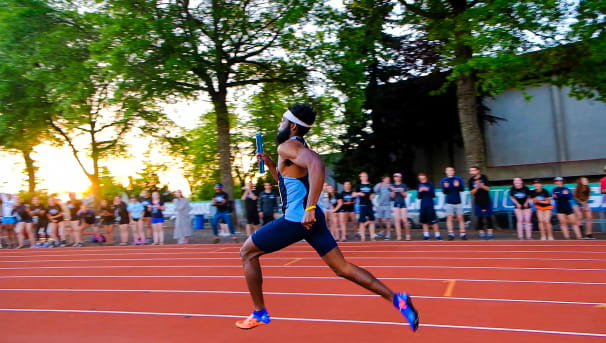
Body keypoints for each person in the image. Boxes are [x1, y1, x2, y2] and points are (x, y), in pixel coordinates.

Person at [237, 103, 418, 331]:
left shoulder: (287, 146)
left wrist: (310, 207)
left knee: (247, 253)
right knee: (342, 268)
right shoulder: (297, 147)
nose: (279, 125)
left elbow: (316, 165)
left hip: (298, 220)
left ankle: (259, 312)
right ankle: (397, 299)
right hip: (313, 220)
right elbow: (289, 184)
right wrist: (273, 167)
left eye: (282, 121)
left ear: (292, 125)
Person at [440, 167, 467, 240]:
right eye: (448, 170)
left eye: (451, 170)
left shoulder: (458, 179)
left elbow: (462, 189)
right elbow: (444, 192)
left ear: (454, 171)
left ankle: (463, 234)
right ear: (446, 172)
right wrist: (446, 188)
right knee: (449, 218)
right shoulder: (444, 180)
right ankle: (451, 234)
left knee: (460, 218)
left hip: (458, 201)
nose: (450, 171)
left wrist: (458, 186)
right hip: (449, 202)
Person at [468, 166, 494, 240]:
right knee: (480, 218)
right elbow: (472, 192)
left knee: (489, 217)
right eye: (470, 171)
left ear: (478, 171)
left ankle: (490, 233)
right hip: (477, 201)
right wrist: (476, 186)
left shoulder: (484, 177)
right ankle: (482, 234)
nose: (471, 172)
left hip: (486, 200)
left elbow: (488, 188)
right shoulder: (470, 180)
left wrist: (481, 185)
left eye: (473, 170)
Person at [417, 173, 441, 240]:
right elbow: (419, 197)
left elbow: (433, 195)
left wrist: (427, 189)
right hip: (423, 205)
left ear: (426, 177)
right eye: (420, 178)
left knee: (433, 221)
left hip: (430, 204)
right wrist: (420, 191)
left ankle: (437, 236)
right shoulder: (419, 185)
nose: (422, 179)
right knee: (424, 221)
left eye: (423, 178)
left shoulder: (430, 184)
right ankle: (426, 236)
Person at [354, 172, 376, 242]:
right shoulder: (358, 186)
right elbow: (353, 194)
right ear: (360, 177)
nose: (364, 177)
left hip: (369, 205)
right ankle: (362, 237)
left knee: (372, 221)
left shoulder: (370, 185)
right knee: (361, 221)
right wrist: (358, 193)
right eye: (362, 176)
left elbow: (373, 194)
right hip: (362, 205)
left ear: (367, 177)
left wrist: (373, 196)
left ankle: (372, 237)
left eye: (365, 176)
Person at [391, 173, 410, 241]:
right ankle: (399, 236)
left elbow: (405, 195)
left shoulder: (403, 185)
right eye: (395, 177)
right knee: (397, 220)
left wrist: (401, 191)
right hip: (396, 204)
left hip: (403, 204)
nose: (397, 178)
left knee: (405, 220)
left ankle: (408, 235)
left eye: (398, 177)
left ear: (400, 178)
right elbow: (392, 197)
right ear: (394, 178)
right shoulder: (392, 185)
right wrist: (393, 190)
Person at [374, 176, 393, 240]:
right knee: (379, 218)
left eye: (389, 179)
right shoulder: (379, 184)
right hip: (380, 205)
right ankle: (382, 230)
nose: (388, 180)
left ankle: (388, 234)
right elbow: (375, 190)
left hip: (387, 205)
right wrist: (379, 186)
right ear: (383, 179)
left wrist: (391, 189)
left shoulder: (390, 186)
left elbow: (392, 196)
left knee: (388, 220)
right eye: (387, 179)